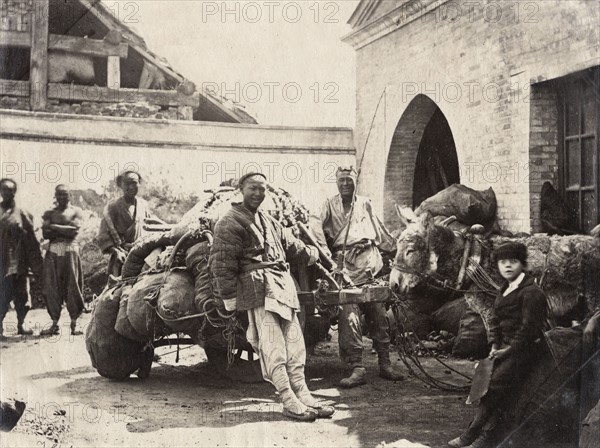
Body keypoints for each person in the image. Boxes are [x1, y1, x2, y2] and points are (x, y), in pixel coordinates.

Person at [209, 172, 334, 422]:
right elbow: (222, 265)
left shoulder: (268, 220)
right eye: (253, 188)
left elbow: (290, 245)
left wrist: (310, 252)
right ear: (240, 189)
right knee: (273, 346)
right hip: (256, 291)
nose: (258, 194)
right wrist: (229, 300)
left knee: (295, 344)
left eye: (262, 189)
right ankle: (288, 399)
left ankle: (304, 394)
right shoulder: (229, 222)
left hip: (283, 289)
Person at [311, 166, 404, 388]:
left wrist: (397, 248)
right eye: (342, 180)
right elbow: (314, 227)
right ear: (336, 182)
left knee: (379, 314)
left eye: (349, 180)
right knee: (348, 316)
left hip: (369, 265)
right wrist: (327, 256)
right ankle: (357, 367)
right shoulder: (328, 205)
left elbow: (380, 234)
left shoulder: (365, 203)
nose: (345, 184)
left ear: (356, 182)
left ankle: (385, 363)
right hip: (344, 270)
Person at [448, 242, 548, 448]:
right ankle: (480, 432)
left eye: (513, 261)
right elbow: (494, 319)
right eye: (503, 262)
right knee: (482, 379)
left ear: (523, 264)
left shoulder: (531, 292)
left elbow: (529, 329)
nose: (508, 266)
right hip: (504, 346)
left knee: (494, 385)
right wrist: (494, 344)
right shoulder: (505, 288)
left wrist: (507, 350)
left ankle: (478, 436)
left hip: (526, 348)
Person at [39, 185, 85, 336]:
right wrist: (63, 228)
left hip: (70, 250)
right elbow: (46, 234)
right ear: (55, 196)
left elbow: (74, 231)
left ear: (70, 195)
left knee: (73, 286)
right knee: (50, 287)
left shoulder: (76, 211)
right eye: (59, 195)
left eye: (65, 194)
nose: (62, 197)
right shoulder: (49, 213)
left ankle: (74, 323)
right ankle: (54, 324)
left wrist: (53, 226)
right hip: (53, 251)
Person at [0, 178, 42, 338]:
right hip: (2, 261)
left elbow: (32, 240)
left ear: (14, 192)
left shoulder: (23, 214)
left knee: (22, 294)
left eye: (10, 190)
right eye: (3, 189)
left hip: (19, 261)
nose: (7, 193)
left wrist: (37, 264)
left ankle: (21, 324)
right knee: (2, 294)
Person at [97, 171, 153, 278]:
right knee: (118, 289)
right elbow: (102, 235)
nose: (131, 187)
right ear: (120, 185)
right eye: (127, 184)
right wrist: (116, 251)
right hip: (122, 256)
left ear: (139, 184)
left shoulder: (143, 205)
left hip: (142, 255)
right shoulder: (112, 207)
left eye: (134, 183)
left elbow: (150, 227)